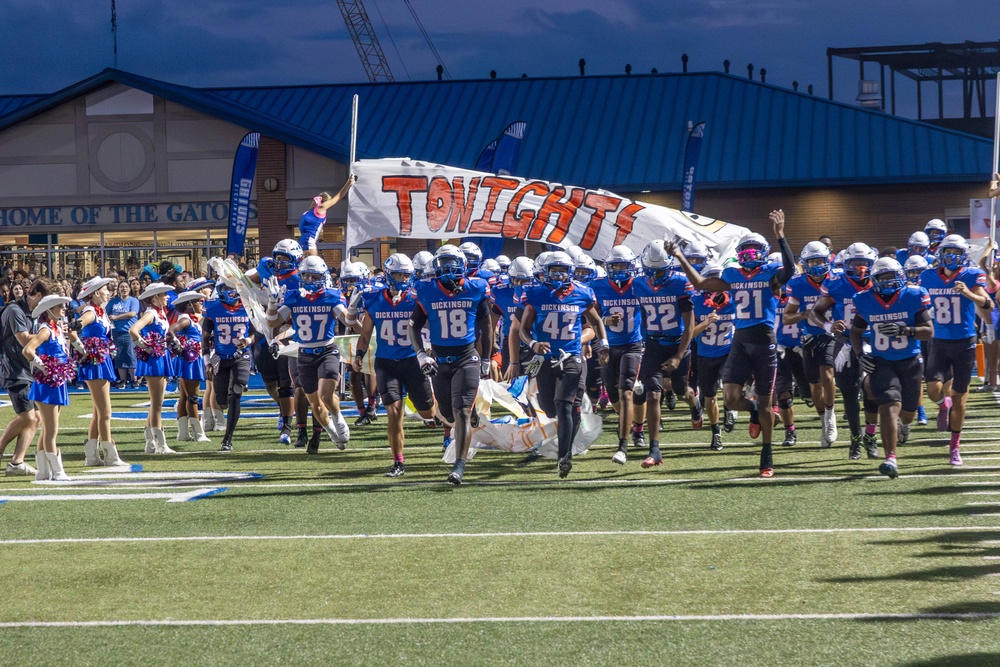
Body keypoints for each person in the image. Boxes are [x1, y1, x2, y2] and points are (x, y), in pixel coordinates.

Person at [668, 209, 795, 477]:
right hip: (741, 340)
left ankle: (767, 455)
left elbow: (790, 270)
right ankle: (752, 412)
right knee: (732, 399)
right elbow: (701, 281)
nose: (749, 255)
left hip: (764, 341)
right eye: (745, 250)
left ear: (763, 252)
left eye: (754, 250)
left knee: (764, 399)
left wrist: (781, 235)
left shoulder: (771, 273)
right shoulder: (733, 275)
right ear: (739, 254)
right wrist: (679, 256)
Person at [518, 251, 609, 477]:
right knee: (549, 407)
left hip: (571, 357)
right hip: (545, 358)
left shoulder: (582, 292)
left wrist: (604, 342)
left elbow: (596, 321)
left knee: (564, 404)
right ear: (545, 272)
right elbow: (523, 329)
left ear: (570, 271)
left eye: (562, 270)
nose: (558, 275)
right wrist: (533, 344)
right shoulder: (535, 293)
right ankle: (565, 447)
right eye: (554, 270)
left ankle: (564, 456)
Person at [410, 244, 494, 485]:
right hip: (439, 360)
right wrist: (421, 355)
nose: (447, 267)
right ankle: (470, 409)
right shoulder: (426, 289)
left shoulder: (476, 288)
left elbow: (487, 326)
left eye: (452, 262)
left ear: (463, 265)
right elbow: (413, 325)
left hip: (467, 357)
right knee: (446, 413)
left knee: (461, 411)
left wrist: (486, 358)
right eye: (442, 262)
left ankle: (459, 465)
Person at [353, 254, 438, 476]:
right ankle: (398, 462)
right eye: (398, 274)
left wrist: (430, 350)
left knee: (428, 413)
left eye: (406, 275)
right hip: (386, 363)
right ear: (389, 275)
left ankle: (443, 423)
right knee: (393, 411)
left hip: (412, 361)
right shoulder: (373, 298)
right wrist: (359, 354)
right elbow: (365, 333)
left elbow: (432, 324)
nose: (402, 279)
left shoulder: (415, 298)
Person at [850, 258, 933, 478]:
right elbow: (855, 331)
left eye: (891, 276)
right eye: (882, 278)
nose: (888, 282)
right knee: (888, 404)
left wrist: (904, 331)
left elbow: (928, 331)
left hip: (910, 361)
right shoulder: (864, 299)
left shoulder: (913, 296)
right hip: (881, 361)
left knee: (907, 412)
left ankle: (904, 426)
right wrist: (860, 355)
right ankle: (891, 458)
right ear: (873, 280)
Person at [266, 256, 351, 454]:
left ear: (323, 277)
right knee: (315, 403)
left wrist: (352, 310)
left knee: (327, 396)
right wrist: (272, 302)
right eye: (307, 276)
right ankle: (330, 430)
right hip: (304, 353)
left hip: (327, 351)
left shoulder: (331, 295)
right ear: (301, 276)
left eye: (316, 276)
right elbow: (272, 322)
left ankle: (338, 418)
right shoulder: (294, 297)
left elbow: (346, 320)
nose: (311, 280)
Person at [919, 234, 993, 465]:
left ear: (964, 255)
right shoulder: (927, 276)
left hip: (965, 342)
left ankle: (954, 447)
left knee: (960, 396)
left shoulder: (971, 275)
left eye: (957, 252)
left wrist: (968, 293)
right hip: (938, 341)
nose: (952, 257)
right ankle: (943, 405)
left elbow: (987, 303)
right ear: (941, 254)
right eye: (948, 252)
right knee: (933, 390)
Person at [809, 242, 881, 460]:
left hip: (874, 341)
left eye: (864, 263)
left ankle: (870, 435)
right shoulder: (836, 283)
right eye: (855, 263)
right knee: (849, 392)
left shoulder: (879, 281)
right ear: (846, 263)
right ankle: (855, 438)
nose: (860, 267)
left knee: (871, 389)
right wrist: (827, 326)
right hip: (846, 342)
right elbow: (816, 311)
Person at [631, 240, 699, 467]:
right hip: (653, 345)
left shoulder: (680, 283)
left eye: (660, 270)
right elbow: (642, 314)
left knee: (681, 391)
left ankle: (695, 405)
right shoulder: (638, 284)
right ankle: (655, 449)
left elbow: (690, 325)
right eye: (651, 270)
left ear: (669, 266)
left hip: (677, 344)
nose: (655, 275)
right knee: (653, 394)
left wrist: (679, 355)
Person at [0, 278, 58, 476]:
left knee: (36, 418)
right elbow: (24, 339)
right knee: (28, 416)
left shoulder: (37, 314)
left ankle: (17, 462)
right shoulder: (15, 310)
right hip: (15, 370)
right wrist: (50, 333)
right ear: (39, 296)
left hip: (30, 370)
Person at [783, 241, 838, 447]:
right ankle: (824, 419)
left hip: (833, 335)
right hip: (809, 337)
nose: (816, 265)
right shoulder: (798, 284)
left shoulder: (836, 280)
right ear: (804, 263)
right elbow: (787, 317)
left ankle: (831, 415)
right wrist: (804, 314)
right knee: (814, 387)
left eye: (820, 260)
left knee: (827, 374)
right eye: (812, 261)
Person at [74, 276, 129, 467]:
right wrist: (83, 349)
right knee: (105, 411)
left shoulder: (100, 311)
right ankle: (110, 455)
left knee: (99, 412)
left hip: (101, 360)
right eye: (106, 289)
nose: (109, 291)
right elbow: (76, 326)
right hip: (95, 362)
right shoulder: (90, 310)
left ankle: (91, 456)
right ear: (96, 293)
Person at [22, 294, 75, 481]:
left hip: (57, 382)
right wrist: (43, 367)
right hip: (47, 383)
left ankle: (43, 472)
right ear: (49, 310)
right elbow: (27, 350)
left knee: (48, 429)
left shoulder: (57, 329)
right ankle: (58, 471)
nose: (63, 308)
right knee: (51, 429)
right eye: (59, 306)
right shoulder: (45, 330)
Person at [690, 263, 736, 452]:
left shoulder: (735, 299)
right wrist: (706, 322)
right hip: (705, 354)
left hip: (728, 351)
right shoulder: (696, 301)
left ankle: (729, 409)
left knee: (729, 388)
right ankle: (716, 433)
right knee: (709, 398)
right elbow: (691, 333)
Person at [202, 283, 253, 452]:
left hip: (241, 357)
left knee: (235, 395)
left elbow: (257, 330)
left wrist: (249, 340)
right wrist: (207, 362)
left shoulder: (248, 306)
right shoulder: (213, 309)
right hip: (221, 358)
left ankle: (227, 439)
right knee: (221, 401)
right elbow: (205, 339)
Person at [130, 282, 177, 455]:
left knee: (157, 403)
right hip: (154, 360)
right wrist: (147, 347)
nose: (167, 297)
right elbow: (134, 331)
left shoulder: (161, 313)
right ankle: (160, 444)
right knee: (157, 404)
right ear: (155, 297)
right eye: (164, 294)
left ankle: (150, 443)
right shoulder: (151, 313)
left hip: (161, 358)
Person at [169, 290, 212, 444]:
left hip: (189, 360)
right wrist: (179, 348)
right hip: (190, 361)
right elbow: (171, 331)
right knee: (193, 396)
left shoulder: (191, 318)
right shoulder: (186, 319)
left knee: (184, 397)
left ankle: (183, 433)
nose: (201, 303)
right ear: (189, 304)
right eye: (198, 301)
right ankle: (199, 432)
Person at [299, 177, 355, 257]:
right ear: (326, 201)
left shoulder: (308, 211)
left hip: (302, 241)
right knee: (313, 266)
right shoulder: (321, 208)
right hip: (309, 241)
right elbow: (338, 197)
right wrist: (348, 183)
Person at [108, 281, 140, 388]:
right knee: (120, 356)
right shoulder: (114, 301)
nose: (124, 289)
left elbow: (132, 313)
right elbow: (105, 312)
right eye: (121, 287)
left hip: (130, 332)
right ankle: (123, 380)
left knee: (131, 355)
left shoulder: (133, 301)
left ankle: (133, 379)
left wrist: (116, 317)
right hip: (117, 332)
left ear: (129, 289)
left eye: (126, 287)